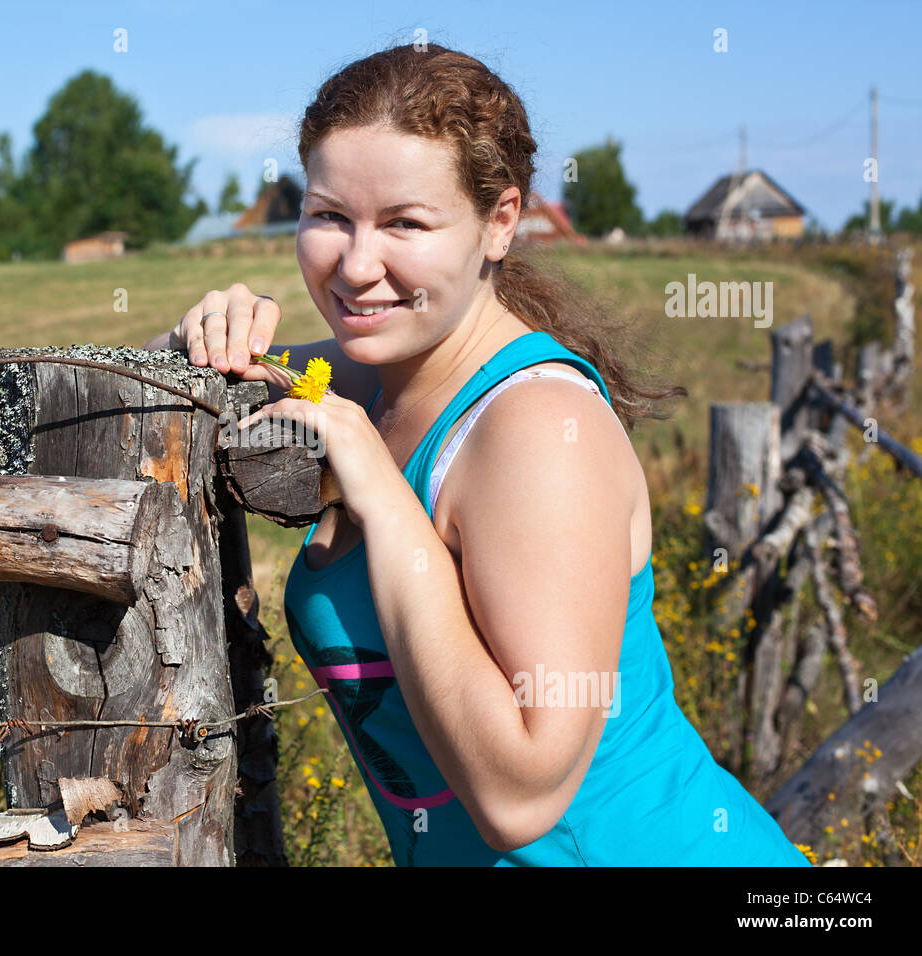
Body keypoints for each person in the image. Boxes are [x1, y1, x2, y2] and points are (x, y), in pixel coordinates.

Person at [144, 42, 810, 867]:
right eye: (328, 216)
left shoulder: (534, 428)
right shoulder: (373, 374)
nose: (356, 266)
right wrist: (197, 334)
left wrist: (384, 497)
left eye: (405, 224)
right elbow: (140, 410)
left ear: (499, 223)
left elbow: (520, 797)